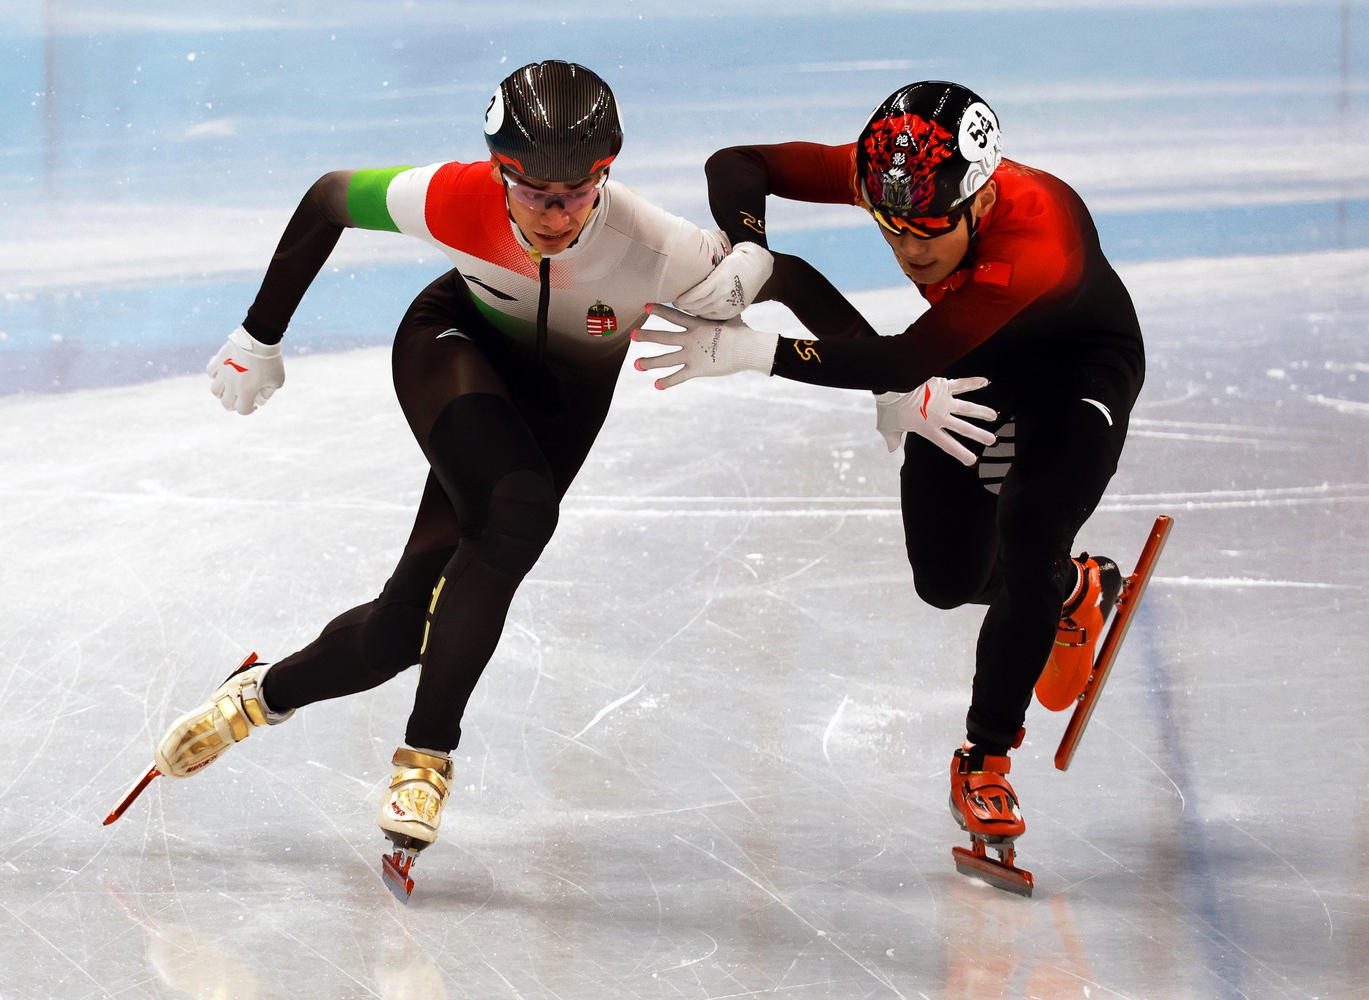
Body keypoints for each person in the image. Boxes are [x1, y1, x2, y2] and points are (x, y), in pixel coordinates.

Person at [144, 61, 979, 893]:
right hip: (452, 352)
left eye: (577, 192)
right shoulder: (454, 197)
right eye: (531, 191)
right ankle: (425, 760)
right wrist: (259, 334)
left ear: (605, 173)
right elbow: (332, 195)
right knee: (517, 513)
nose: (553, 213)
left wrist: (888, 378)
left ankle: (255, 697)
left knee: (402, 633)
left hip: (560, 410)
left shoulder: (658, 247)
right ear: (499, 170)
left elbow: (788, 280)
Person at [633, 81, 1144, 867]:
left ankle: (984, 759)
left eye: (928, 231)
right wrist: (751, 248)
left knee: (1033, 527)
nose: (908, 250)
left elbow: (906, 358)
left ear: (978, 199)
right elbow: (736, 163)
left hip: (1079, 364)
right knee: (946, 580)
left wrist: (756, 352)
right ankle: (1076, 589)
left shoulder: (1037, 236)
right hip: (972, 348)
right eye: (889, 227)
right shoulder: (890, 172)